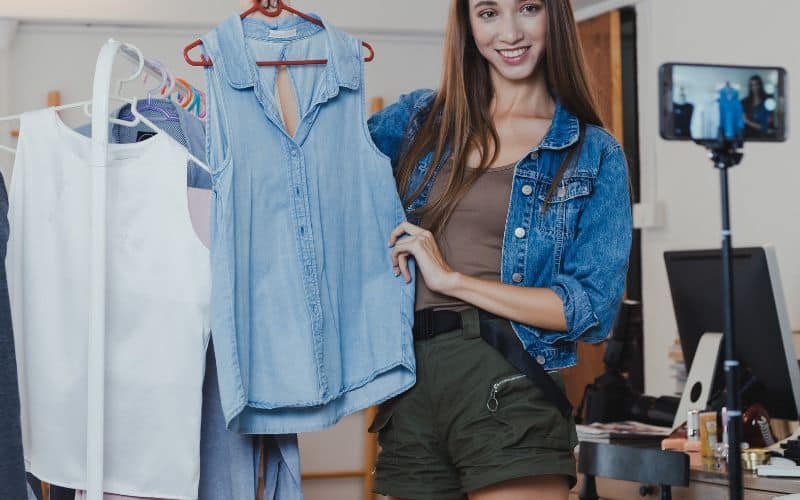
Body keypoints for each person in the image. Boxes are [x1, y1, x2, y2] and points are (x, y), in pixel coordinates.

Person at [266, 1, 633, 499]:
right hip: (411, 382)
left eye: (527, 8)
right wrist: (279, 48)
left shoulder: (593, 152)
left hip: (509, 377)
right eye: (487, 13)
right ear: (467, 24)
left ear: (555, 17)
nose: (509, 32)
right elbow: (312, 162)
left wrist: (452, 280)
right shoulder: (420, 120)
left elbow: (590, 311)